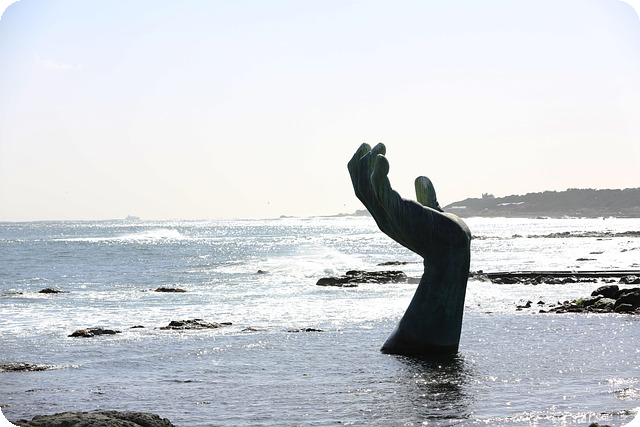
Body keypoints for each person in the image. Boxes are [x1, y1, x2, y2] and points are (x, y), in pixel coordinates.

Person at [348, 143, 472, 356]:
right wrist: (451, 247)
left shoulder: (452, 242)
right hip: (430, 342)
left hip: (414, 343)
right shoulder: (453, 242)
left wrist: (449, 247)